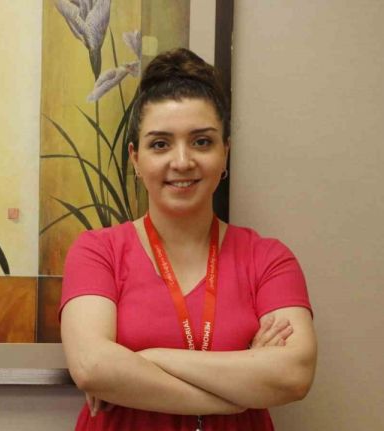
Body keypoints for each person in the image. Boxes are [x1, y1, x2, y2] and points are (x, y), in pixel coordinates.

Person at [59, 48, 317, 431]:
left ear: (225, 152)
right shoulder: (98, 252)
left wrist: (145, 359)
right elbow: (93, 367)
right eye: (160, 144)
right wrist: (238, 393)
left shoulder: (268, 259)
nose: (182, 162)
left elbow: (294, 374)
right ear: (135, 158)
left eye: (201, 142)